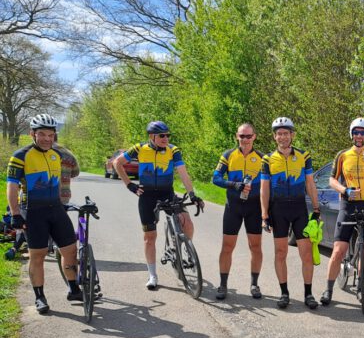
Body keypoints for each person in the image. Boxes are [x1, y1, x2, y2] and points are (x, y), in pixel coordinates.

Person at [114, 120, 204, 290]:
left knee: (187, 222)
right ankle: (153, 276)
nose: (166, 138)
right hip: (147, 196)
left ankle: (186, 248)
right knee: (150, 238)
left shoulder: (173, 150)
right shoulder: (140, 149)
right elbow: (117, 163)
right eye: (162, 135)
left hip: (167, 193)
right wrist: (129, 185)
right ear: (151, 136)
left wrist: (192, 194)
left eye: (167, 135)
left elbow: (183, 173)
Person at [6, 114, 81, 313]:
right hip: (32, 211)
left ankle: (73, 288)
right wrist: (15, 213)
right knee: (37, 255)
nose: (47, 138)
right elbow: (11, 187)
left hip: (55, 208)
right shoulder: (21, 155)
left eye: (50, 134)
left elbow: (63, 180)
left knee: (70, 249)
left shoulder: (56, 155)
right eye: (42, 134)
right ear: (32, 134)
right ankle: (40, 296)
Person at [260, 117, 321, 310]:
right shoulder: (267, 159)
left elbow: (310, 183)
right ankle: (284, 293)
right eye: (279, 133)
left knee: (307, 254)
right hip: (278, 210)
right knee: (280, 252)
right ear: (274, 136)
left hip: (299, 209)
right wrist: (264, 215)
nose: (283, 136)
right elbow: (264, 188)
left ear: (292, 135)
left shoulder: (304, 155)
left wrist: (317, 208)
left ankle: (308, 294)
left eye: (286, 133)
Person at [319, 118, 364, 306]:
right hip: (348, 205)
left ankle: (362, 288)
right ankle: (328, 289)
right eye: (356, 132)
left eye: (363, 133)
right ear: (351, 134)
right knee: (338, 250)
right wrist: (344, 190)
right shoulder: (343, 155)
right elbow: (332, 180)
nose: (359, 136)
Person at [212, 123, 265, 300]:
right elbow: (216, 179)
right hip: (233, 207)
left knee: (255, 247)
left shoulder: (262, 158)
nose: (245, 140)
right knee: (227, 247)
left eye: (248, 136)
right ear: (237, 136)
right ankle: (223, 285)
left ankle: (254, 284)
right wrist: (234, 185)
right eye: (242, 136)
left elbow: (268, 185)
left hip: (254, 208)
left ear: (254, 137)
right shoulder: (228, 155)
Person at [52, 134, 80, 205]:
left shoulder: (39, 152)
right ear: (57, 139)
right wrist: (65, 174)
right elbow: (76, 172)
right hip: (63, 196)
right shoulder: (67, 153)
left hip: (42, 197)